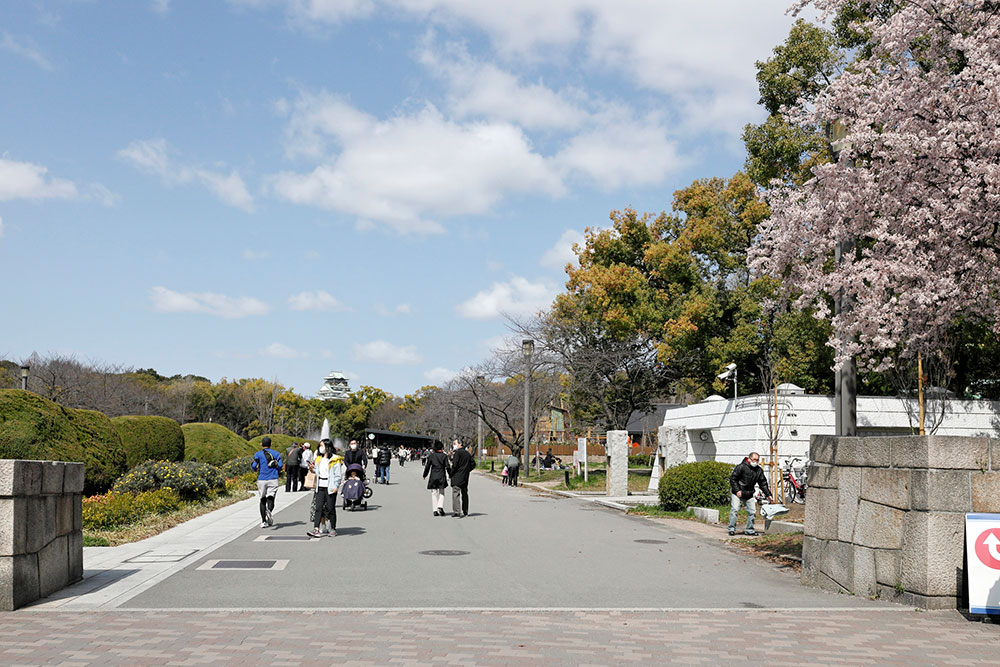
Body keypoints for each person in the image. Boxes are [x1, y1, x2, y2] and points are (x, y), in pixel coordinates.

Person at [728, 451, 772, 536]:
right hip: (738, 492)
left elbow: (763, 483)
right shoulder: (741, 467)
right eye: (754, 459)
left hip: (749, 493)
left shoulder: (759, 470)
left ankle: (749, 530)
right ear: (749, 459)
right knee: (735, 510)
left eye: (757, 460)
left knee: (752, 512)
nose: (755, 461)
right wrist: (737, 490)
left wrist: (768, 495)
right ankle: (731, 529)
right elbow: (733, 479)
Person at [308, 439, 344, 538]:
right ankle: (316, 529)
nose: (321, 448)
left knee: (331, 508)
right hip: (320, 486)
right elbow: (318, 471)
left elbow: (338, 475)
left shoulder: (335, 459)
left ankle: (332, 528)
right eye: (320, 446)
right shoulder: (319, 459)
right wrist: (312, 468)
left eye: (322, 446)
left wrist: (336, 486)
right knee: (318, 508)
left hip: (330, 486)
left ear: (328, 447)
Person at [251, 436, 282, 528]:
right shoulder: (276, 454)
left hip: (262, 479)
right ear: (271, 444)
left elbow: (254, 465)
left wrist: (255, 469)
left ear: (261, 444)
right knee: (271, 497)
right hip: (273, 478)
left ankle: (263, 521)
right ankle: (269, 510)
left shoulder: (258, 454)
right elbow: (280, 466)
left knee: (262, 499)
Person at [448, 439, 475, 517]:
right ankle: (465, 510)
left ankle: (457, 511)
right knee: (464, 493)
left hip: (457, 476)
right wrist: (467, 470)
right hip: (465, 476)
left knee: (456, 492)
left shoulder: (457, 453)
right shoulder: (467, 453)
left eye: (455, 443)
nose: (454, 445)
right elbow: (473, 464)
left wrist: (451, 473)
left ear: (460, 444)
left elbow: (455, 465)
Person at [423, 440, 450, 516]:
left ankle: (435, 510)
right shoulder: (444, 456)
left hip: (433, 475)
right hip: (441, 475)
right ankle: (440, 506)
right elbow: (447, 466)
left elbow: (427, 466)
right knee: (442, 492)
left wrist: (425, 474)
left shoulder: (431, 456)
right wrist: (450, 474)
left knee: (434, 493)